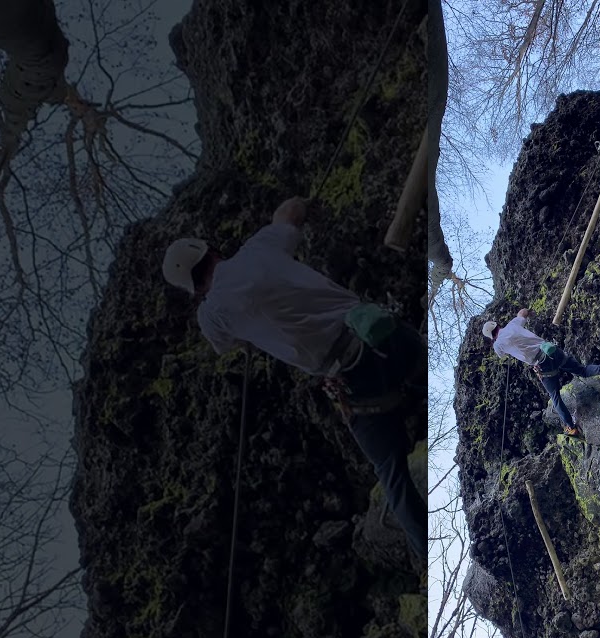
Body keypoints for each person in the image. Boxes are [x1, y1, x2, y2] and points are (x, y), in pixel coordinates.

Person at [160, 196, 423, 558]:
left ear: (194, 289)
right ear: (213, 251)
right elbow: (290, 211)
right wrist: (299, 206)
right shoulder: (258, 249)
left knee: (393, 476)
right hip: (379, 333)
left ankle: (428, 559)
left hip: (352, 381)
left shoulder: (211, 316)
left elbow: (230, 343)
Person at [483, 308, 600, 436]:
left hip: (541, 364)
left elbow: (502, 354)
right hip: (551, 350)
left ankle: (571, 427)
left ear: (491, 336)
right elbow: (521, 313)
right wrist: (528, 312)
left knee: (555, 397)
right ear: (497, 325)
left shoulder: (497, 345)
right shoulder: (513, 324)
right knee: (582, 370)